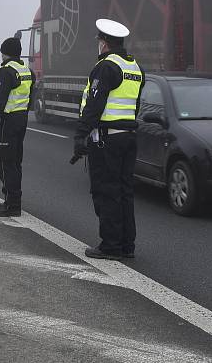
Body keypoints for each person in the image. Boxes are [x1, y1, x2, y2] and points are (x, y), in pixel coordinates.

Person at [73, 19, 145, 260]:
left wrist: (80, 135)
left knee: (106, 191)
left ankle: (110, 245)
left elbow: (94, 105)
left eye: (99, 41)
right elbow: (133, 105)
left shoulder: (106, 67)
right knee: (124, 192)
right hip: (128, 137)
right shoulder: (134, 67)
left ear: (104, 43)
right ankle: (127, 245)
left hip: (107, 140)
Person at [0, 37, 34, 217]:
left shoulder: (6, 72)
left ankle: (12, 205)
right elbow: (30, 100)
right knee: (15, 162)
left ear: (4, 53)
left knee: (4, 164)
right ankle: (13, 201)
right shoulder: (27, 71)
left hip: (7, 122)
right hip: (21, 121)